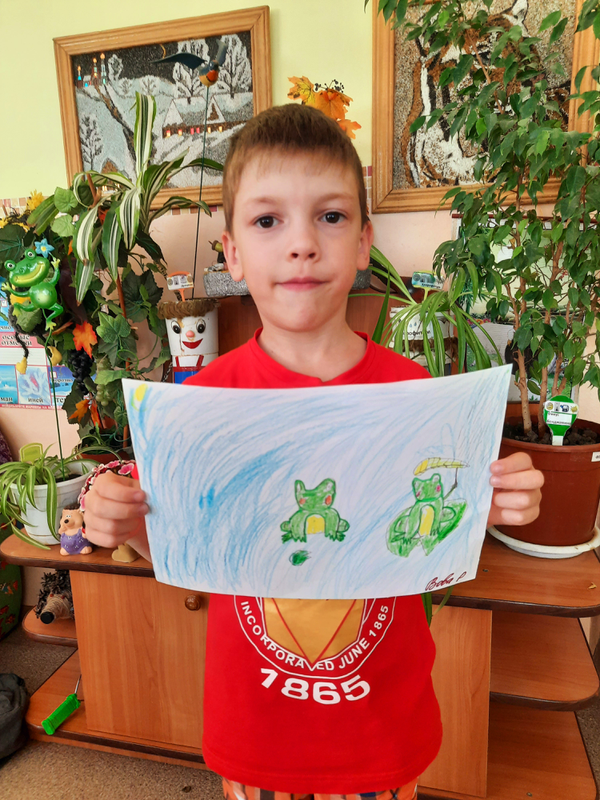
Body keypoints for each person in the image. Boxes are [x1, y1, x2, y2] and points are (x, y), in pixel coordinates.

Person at [84, 103, 543, 800]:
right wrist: (124, 521)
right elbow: (185, 552)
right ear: (233, 253)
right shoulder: (201, 405)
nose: (301, 244)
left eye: (330, 216)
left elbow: (430, 541)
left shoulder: (416, 395)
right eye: (268, 221)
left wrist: (498, 501)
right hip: (256, 739)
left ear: (363, 242)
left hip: (383, 735)